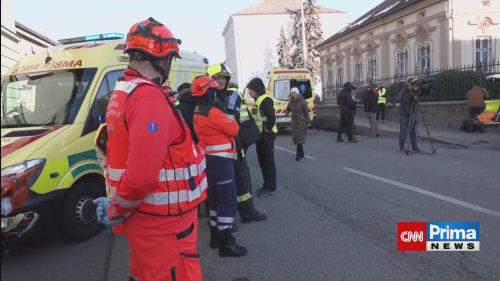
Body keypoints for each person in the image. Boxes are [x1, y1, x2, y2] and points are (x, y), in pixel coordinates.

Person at [93, 18, 206, 281]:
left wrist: (118, 204)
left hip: (147, 222)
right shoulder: (148, 97)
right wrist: (117, 209)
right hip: (165, 227)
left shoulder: (122, 92)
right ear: (163, 59)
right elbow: (142, 175)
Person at [192, 76, 248, 257]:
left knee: (215, 200)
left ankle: (215, 236)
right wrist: (228, 118)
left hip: (210, 161)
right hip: (221, 162)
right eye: (213, 90)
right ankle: (226, 242)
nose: (215, 92)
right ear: (207, 92)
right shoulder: (212, 112)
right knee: (227, 200)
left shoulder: (198, 111)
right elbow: (234, 129)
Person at [207, 63, 267, 224]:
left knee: (242, 180)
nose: (220, 81)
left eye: (223, 78)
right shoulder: (210, 99)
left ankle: (248, 213)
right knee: (225, 187)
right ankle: (227, 221)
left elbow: (236, 120)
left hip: (235, 145)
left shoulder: (227, 95)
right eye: (216, 78)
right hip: (220, 151)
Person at [246, 77, 278, 197]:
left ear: (256, 89)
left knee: (268, 161)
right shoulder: (258, 100)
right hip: (261, 136)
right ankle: (266, 185)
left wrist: (267, 130)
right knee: (262, 161)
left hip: (267, 136)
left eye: (250, 90)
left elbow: (271, 117)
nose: (249, 92)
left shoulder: (265, 100)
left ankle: (271, 187)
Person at [394, 78, 420, 153]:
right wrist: (397, 104)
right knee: (403, 131)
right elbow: (396, 100)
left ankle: (414, 147)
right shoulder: (403, 92)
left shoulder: (417, 91)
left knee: (414, 131)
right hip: (405, 114)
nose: (415, 84)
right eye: (413, 83)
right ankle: (402, 146)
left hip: (414, 113)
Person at [285, 87, 311, 161]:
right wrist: (287, 114)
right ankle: (302, 153)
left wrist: (309, 123)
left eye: (294, 92)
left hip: (301, 122)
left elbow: (306, 112)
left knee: (299, 138)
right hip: (294, 122)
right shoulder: (291, 101)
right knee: (297, 139)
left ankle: (298, 155)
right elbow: (287, 109)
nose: (293, 94)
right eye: (292, 92)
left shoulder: (302, 101)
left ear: (297, 93)